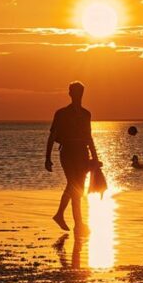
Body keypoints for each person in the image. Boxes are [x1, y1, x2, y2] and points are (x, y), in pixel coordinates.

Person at [45, 81, 97, 237]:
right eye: (74, 92)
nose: (77, 95)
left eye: (80, 92)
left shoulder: (86, 114)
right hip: (68, 152)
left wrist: (95, 158)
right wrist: (47, 158)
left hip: (82, 153)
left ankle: (68, 219)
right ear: (70, 94)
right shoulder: (61, 113)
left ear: (83, 94)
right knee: (74, 185)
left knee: (77, 189)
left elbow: (89, 137)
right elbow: (52, 136)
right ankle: (76, 223)